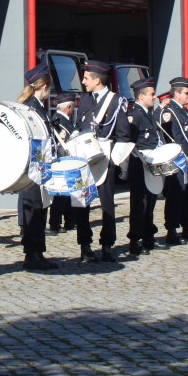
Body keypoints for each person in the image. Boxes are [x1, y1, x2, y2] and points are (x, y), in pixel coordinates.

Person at [68, 60, 131, 263]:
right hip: (84, 156)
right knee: (81, 202)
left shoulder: (116, 101)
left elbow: (123, 134)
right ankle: (85, 246)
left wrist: (115, 157)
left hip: (105, 156)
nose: (83, 82)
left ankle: (107, 245)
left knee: (107, 204)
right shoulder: (85, 99)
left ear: (97, 80)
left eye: (86, 78)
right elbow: (79, 125)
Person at [17, 64, 58, 270]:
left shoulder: (36, 105)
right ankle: (31, 254)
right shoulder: (31, 106)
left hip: (39, 166)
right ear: (45, 86)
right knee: (33, 210)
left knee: (41, 209)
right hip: (33, 167)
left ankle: (38, 252)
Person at [159, 77, 188, 244]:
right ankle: (172, 230)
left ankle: (187, 226)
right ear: (176, 93)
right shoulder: (170, 111)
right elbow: (176, 137)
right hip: (179, 161)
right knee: (176, 195)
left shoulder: (185, 111)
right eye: (186, 92)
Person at [126, 77, 162, 256]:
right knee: (139, 202)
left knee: (150, 201)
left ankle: (148, 234)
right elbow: (129, 142)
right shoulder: (135, 115)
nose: (154, 97)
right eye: (152, 94)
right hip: (139, 164)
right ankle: (135, 239)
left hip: (150, 164)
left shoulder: (147, 114)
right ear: (141, 97)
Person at [46, 92, 76, 235]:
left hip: (67, 161)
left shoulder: (61, 119)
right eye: (72, 107)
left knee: (68, 193)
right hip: (61, 161)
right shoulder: (58, 121)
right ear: (68, 107)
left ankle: (69, 221)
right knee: (60, 195)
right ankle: (55, 223)